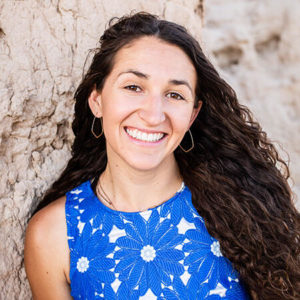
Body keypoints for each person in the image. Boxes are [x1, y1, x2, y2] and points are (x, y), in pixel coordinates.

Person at [24, 12, 300, 300]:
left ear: (193, 114)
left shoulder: (240, 207)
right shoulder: (53, 235)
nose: (154, 115)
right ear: (97, 100)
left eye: (175, 94)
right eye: (133, 87)